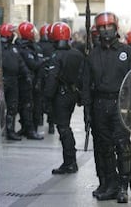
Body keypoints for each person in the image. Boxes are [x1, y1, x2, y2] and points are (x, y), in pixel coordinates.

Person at [82, 11, 131, 203]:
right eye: (102, 27)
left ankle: (124, 187)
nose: (106, 31)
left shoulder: (129, 53)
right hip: (100, 105)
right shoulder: (93, 54)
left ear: (115, 28)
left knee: (122, 146)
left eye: (109, 27)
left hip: (121, 105)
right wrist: (87, 111)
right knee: (103, 147)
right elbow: (86, 85)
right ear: (97, 30)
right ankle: (109, 184)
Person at [44, 22, 84, 174]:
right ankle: (70, 160)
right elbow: (83, 76)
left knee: (63, 128)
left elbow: (52, 79)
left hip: (60, 96)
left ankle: (69, 162)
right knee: (65, 127)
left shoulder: (56, 56)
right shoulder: (77, 54)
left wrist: (47, 98)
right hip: (72, 95)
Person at [0, 23, 31, 141]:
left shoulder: (14, 48)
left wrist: (26, 74)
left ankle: (10, 131)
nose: (13, 35)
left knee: (13, 106)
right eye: (12, 32)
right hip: (1, 81)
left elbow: (21, 63)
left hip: (13, 81)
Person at [15, 21, 44, 140]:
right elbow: (33, 64)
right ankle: (30, 130)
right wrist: (42, 61)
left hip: (29, 80)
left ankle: (27, 128)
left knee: (27, 105)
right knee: (28, 106)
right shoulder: (24, 48)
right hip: (27, 81)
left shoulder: (28, 46)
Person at [37, 24, 56, 134]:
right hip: (51, 76)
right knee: (51, 101)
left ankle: (39, 120)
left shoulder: (38, 45)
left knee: (39, 100)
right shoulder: (54, 47)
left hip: (40, 76)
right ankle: (51, 124)